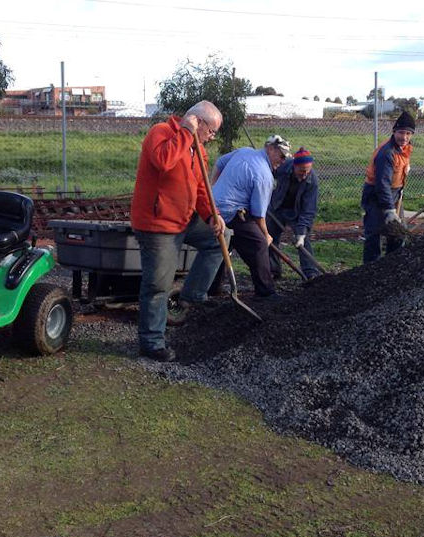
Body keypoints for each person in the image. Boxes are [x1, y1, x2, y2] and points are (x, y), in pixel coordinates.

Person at [130, 100, 226, 362]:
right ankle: (152, 343)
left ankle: (192, 294)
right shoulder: (161, 132)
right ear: (198, 122)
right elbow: (163, 161)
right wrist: (185, 132)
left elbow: (201, 188)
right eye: (211, 131)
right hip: (158, 223)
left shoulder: (198, 150)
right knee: (157, 285)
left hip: (184, 219)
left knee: (220, 238)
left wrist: (212, 215)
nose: (212, 137)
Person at [210, 134, 289, 299]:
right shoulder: (264, 175)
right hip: (231, 212)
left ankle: (211, 289)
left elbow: (220, 162)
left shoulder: (244, 151)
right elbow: (259, 215)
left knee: (223, 245)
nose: (282, 161)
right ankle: (266, 292)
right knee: (259, 244)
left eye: (285, 158)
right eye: (281, 156)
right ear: (270, 149)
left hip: (213, 209)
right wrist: (266, 235)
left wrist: (212, 189)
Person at [361, 110, 415, 264]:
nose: (404, 137)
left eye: (408, 134)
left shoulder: (404, 148)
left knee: (398, 233)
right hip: (376, 195)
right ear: (394, 132)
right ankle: (371, 268)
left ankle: (391, 267)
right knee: (375, 234)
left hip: (395, 193)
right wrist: (389, 210)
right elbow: (382, 183)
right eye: (401, 132)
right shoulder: (387, 153)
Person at [267, 146, 320, 280]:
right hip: (277, 206)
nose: (304, 175)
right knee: (270, 237)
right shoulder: (284, 167)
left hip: (297, 212)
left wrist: (301, 233)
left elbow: (308, 210)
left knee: (303, 241)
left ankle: (310, 273)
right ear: (294, 166)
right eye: (301, 171)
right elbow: (269, 172)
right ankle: (273, 270)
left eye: (307, 171)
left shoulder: (312, 181)